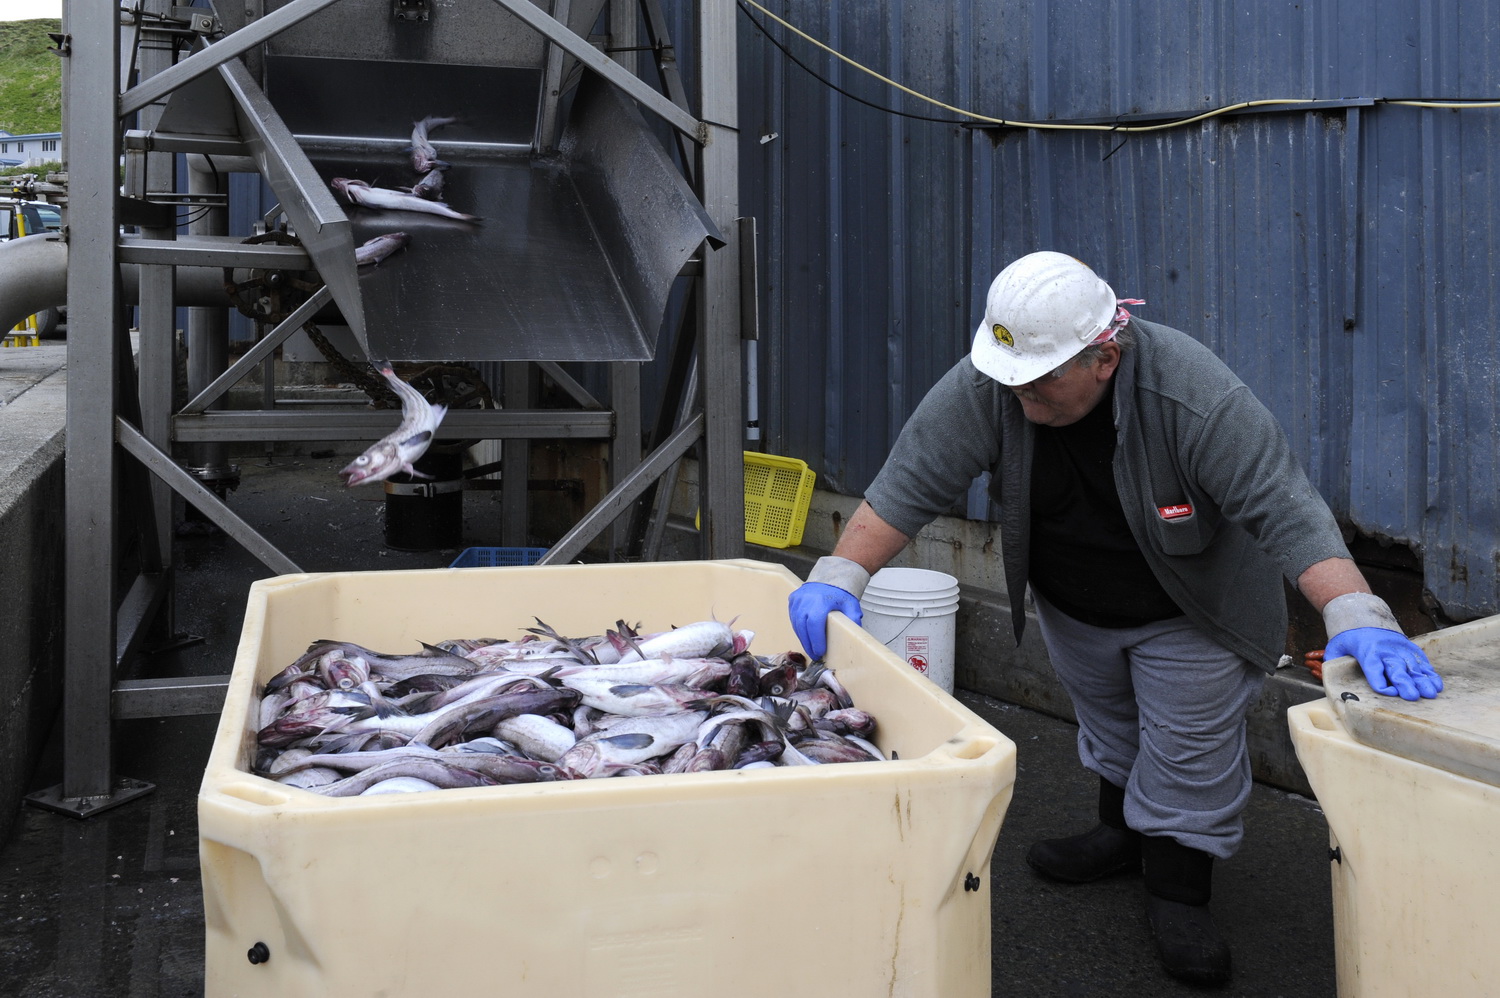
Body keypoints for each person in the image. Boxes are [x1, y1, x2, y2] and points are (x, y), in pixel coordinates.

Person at [787, 251, 1443, 988]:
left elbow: (1282, 503)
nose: (1022, 392)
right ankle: (1120, 837)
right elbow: (912, 479)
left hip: (1191, 606)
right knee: (1113, 728)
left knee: (1185, 749)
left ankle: (1178, 892)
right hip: (1075, 600)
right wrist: (839, 575)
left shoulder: (1192, 394)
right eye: (1012, 378)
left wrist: (1357, 612)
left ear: (1104, 355)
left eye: (1042, 380)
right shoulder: (996, 380)